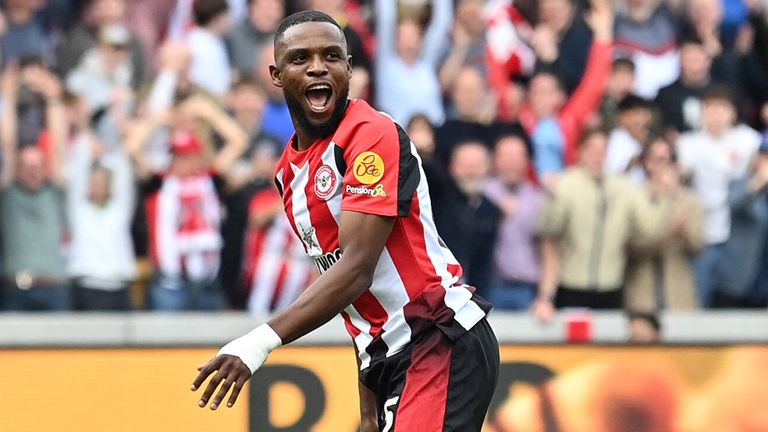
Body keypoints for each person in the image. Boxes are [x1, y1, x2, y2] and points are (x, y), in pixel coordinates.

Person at [191, 11, 499, 432]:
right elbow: (353, 300)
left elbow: (355, 271)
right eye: (301, 58)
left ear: (349, 68)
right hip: (386, 358)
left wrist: (257, 342)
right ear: (276, 74)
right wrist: (368, 410)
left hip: (436, 337)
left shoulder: (371, 134)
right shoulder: (288, 175)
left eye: (331, 55)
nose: (318, 66)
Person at [126, 95, 247, 311]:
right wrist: (159, 119)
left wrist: (209, 113)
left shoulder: (210, 178)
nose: (183, 161)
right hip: (170, 284)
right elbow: (132, 148)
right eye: (178, 155)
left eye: (189, 154)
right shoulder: (160, 181)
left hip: (207, 281)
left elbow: (239, 141)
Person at [533, 129, 668, 320]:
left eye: (603, 150)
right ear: (580, 152)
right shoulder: (565, 184)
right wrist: (553, 199)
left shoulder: (623, 187)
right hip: (572, 286)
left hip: (611, 287)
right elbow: (549, 234)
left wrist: (660, 196)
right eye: (592, 150)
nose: (598, 156)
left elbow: (649, 229)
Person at [677, 85, 761, 307]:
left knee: (735, 297)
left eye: (721, 108)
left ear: (733, 112)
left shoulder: (749, 140)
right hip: (703, 230)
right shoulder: (688, 143)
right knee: (700, 295)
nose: (715, 114)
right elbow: (682, 179)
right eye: (709, 108)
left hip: (738, 230)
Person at [624, 137, 703, 337]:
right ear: (645, 162)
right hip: (642, 294)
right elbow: (630, 245)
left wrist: (682, 231)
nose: (660, 166)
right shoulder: (632, 198)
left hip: (677, 292)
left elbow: (697, 246)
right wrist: (666, 232)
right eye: (655, 159)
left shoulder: (688, 199)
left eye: (665, 159)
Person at [484, 133, 547, 310]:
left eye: (517, 157)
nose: (512, 163)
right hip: (489, 287)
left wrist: (545, 296)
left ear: (527, 161)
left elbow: (547, 251)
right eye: (506, 157)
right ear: (495, 160)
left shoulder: (538, 199)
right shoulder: (483, 194)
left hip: (527, 289)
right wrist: (493, 212)